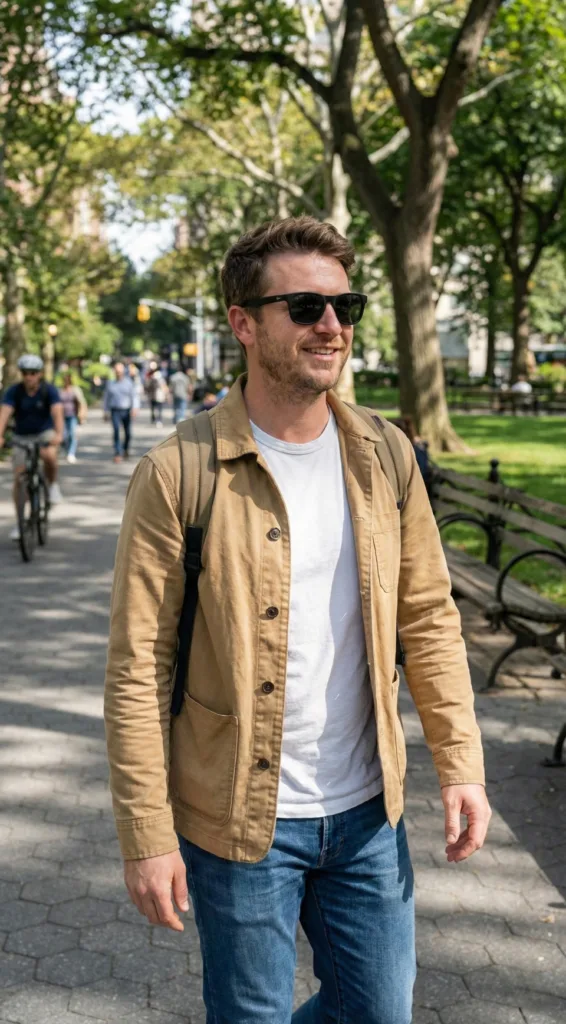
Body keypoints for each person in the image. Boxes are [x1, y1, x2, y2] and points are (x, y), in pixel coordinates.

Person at [104, 216, 490, 1024]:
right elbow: (137, 667)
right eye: (307, 306)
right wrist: (146, 833)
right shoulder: (178, 472)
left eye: (345, 306)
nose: (332, 326)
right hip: (238, 821)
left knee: (379, 1013)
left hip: (365, 814)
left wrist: (462, 764)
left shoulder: (386, 455)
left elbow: (427, 617)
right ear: (243, 324)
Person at [0, 354, 64, 540]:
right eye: (26, 373)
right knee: (20, 477)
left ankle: (52, 485)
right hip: (21, 436)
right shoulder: (14, 392)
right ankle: (20, 521)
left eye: (33, 373)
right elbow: (4, 414)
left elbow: (57, 412)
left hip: (44, 434)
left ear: (40, 374)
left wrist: (59, 434)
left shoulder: (48, 390)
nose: (29, 376)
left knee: (49, 455)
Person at [103, 361, 139, 464]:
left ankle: (125, 448)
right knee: (116, 430)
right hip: (115, 410)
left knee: (128, 433)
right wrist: (105, 411)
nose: (118, 373)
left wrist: (134, 408)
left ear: (123, 371)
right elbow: (106, 398)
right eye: (116, 371)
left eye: (120, 371)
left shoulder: (129, 383)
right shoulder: (110, 383)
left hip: (126, 410)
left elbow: (134, 396)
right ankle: (118, 452)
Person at [59, 372, 87, 463]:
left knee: (72, 434)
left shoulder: (75, 390)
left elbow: (81, 402)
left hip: (72, 415)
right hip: (62, 416)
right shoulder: (60, 391)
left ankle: (71, 453)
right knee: (63, 435)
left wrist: (81, 415)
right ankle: (66, 449)